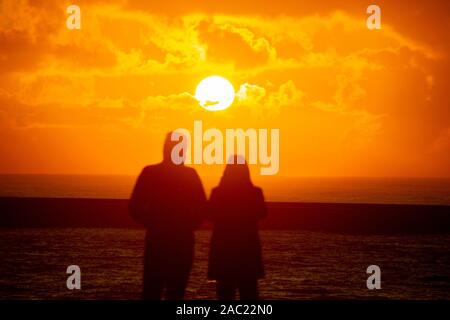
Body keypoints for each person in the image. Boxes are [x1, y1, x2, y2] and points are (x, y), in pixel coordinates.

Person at [129, 132, 206, 300]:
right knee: (176, 292)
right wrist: (189, 224)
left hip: (157, 240)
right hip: (182, 241)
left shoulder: (150, 172)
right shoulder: (190, 175)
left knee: (151, 291)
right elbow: (202, 208)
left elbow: (134, 206)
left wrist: (152, 222)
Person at [208, 155, 267, 300]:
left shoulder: (218, 192)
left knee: (224, 293)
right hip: (247, 248)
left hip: (223, 248)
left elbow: (209, 215)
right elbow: (262, 212)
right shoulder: (255, 192)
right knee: (249, 292)